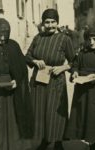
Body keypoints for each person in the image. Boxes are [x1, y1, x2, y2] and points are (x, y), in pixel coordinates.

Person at [25, 9, 75, 150]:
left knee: (55, 113)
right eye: (47, 22)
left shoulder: (65, 39)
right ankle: (44, 141)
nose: (50, 25)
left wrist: (63, 68)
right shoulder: (37, 38)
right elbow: (27, 56)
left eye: (53, 22)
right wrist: (35, 61)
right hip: (39, 83)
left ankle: (58, 142)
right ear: (42, 23)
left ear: (57, 22)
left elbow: (74, 62)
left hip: (55, 81)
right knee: (40, 112)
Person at [0, 18, 33, 150]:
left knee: (13, 120)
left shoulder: (13, 45)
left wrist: (17, 80)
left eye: (5, 35)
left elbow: (22, 68)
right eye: (0, 35)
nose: (2, 38)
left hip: (11, 92)